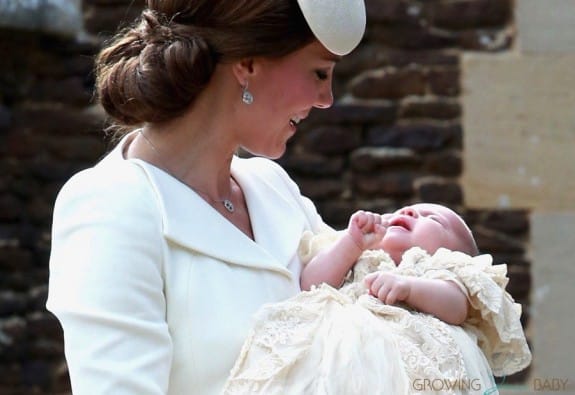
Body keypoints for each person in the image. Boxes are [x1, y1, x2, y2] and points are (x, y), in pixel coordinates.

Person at [46, 1, 367, 394]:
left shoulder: (273, 188)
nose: (326, 98)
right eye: (320, 72)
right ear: (248, 63)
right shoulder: (110, 206)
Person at [223, 204, 532, 394]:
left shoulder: (439, 270)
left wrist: (410, 288)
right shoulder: (360, 259)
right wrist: (351, 244)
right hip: (333, 362)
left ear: (452, 251)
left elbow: (456, 307)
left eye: (432, 219)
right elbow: (310, 284)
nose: (409, 212)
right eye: (403, 209)